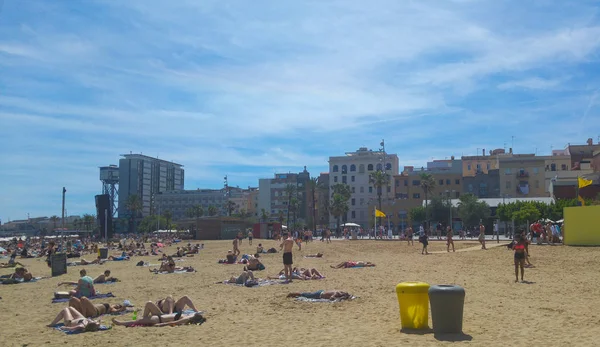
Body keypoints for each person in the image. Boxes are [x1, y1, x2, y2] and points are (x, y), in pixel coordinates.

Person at [286, 290, 352, 301]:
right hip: (319, 294)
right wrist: (340, 298)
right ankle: (292, 294)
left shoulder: (339, 292)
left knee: (307, 294)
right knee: (305, 295)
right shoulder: (337, 293)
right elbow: (332, 298)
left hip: (322, 292)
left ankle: (294, 294)